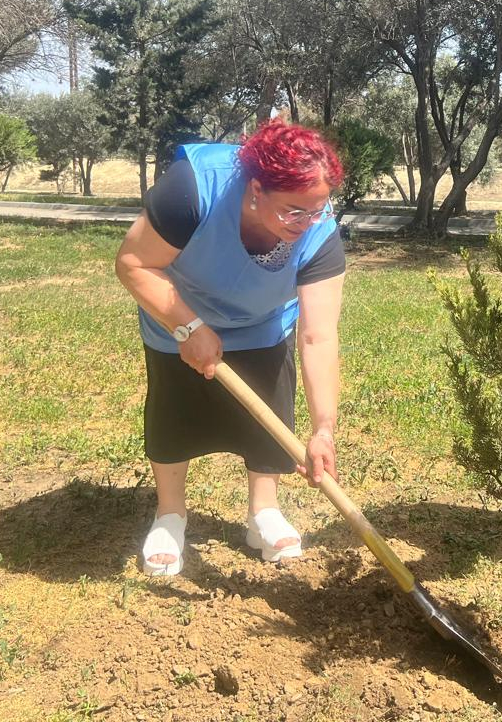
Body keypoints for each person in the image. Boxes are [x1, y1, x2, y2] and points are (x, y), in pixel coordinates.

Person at [115, 119, 347, 577]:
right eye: (292, 211)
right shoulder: (193, 188)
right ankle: (170, 515)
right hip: (179, 313)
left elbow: (319, 335)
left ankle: (264, 512)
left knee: (269, 415)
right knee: (174, 413)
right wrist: (187, 327)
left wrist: (324, 428)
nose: (305, 225)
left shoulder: (319, 234)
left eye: (316, 211)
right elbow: (133, 263)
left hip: (262, 324)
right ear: (256, 189)